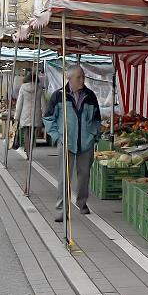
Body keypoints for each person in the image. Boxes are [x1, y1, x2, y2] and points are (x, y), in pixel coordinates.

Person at [43, 65, 101, 221]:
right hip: (66, 142)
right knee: (64, 177)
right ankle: (62, 209)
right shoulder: (59, 96)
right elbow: (48, 118)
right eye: (79, 77)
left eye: (83, 77)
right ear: (69, 78)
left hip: (86, 143)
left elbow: (96, 119)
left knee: (84, 176)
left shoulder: (90, 96)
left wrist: (94, 135)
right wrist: (57, 136)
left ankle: (82, 202)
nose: (82, 80)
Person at [14, 69, 43, 159]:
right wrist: (45, 115)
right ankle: (29, 149)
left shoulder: (23, 87)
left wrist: (16, 117)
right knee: (32, 134)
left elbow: (19, 103)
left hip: (25, 114)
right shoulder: (39, 88)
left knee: (26, 133)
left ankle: (28, 150)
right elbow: (43, 103)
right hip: (36, 114)